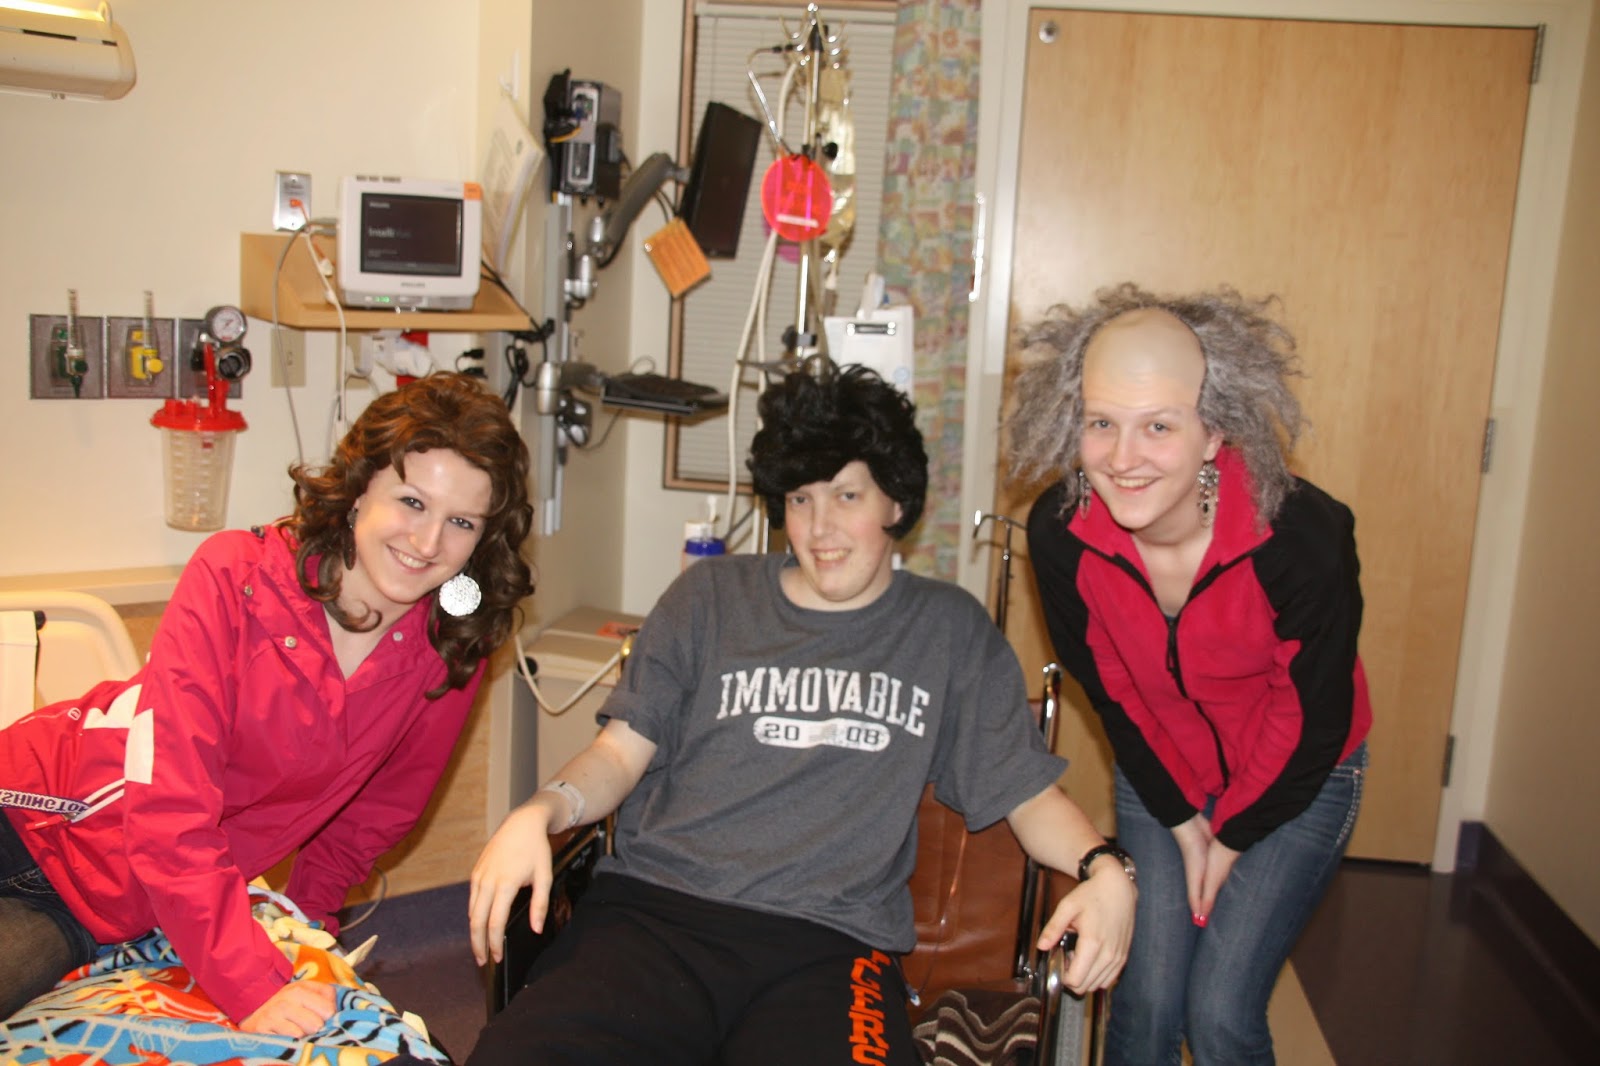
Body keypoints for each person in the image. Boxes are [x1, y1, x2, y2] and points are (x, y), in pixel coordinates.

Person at [466, 364, 1136, 1066]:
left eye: (847, 495)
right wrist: (540, 810)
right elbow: (617, 754)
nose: (820, 529)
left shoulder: (948, 631)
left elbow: (1026, 795)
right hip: (653, 921)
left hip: (829, 949)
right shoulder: (707, 599)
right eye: (800, 498)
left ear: (895, 502)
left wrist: (1104, 867)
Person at [0, 371, 534, 1036]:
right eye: (411, 502)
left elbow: (370, 820)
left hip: (97, 900)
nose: (427, 543)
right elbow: (170, 802)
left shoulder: (452, 646)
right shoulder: (235, 576)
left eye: (460, 522)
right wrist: (251, 986)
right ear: (359, 490)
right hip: (28, 808)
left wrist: (309, 931)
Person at [1006, 283, 1372, 1066]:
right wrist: (1178, 818)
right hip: (1162, 767)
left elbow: (1311, 715)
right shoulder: (1061, 534)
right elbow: (1112, 693)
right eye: (1101, 423)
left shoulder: (1298, 536)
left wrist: (1231, 834)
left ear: (1215, 432)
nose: (1123, 459)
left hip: (1301, 774)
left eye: (1159, 426)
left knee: (1219, 1012)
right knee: (1146, 1003)